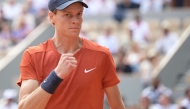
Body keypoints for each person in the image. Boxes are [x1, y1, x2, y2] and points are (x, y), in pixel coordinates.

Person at [17, 0, 126, 109]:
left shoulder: (102, 54)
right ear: (51, 17)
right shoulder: (33, 55)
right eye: (67, 14)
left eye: (79, 14)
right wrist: (56, 76)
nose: (76, 20)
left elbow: (117, 106)